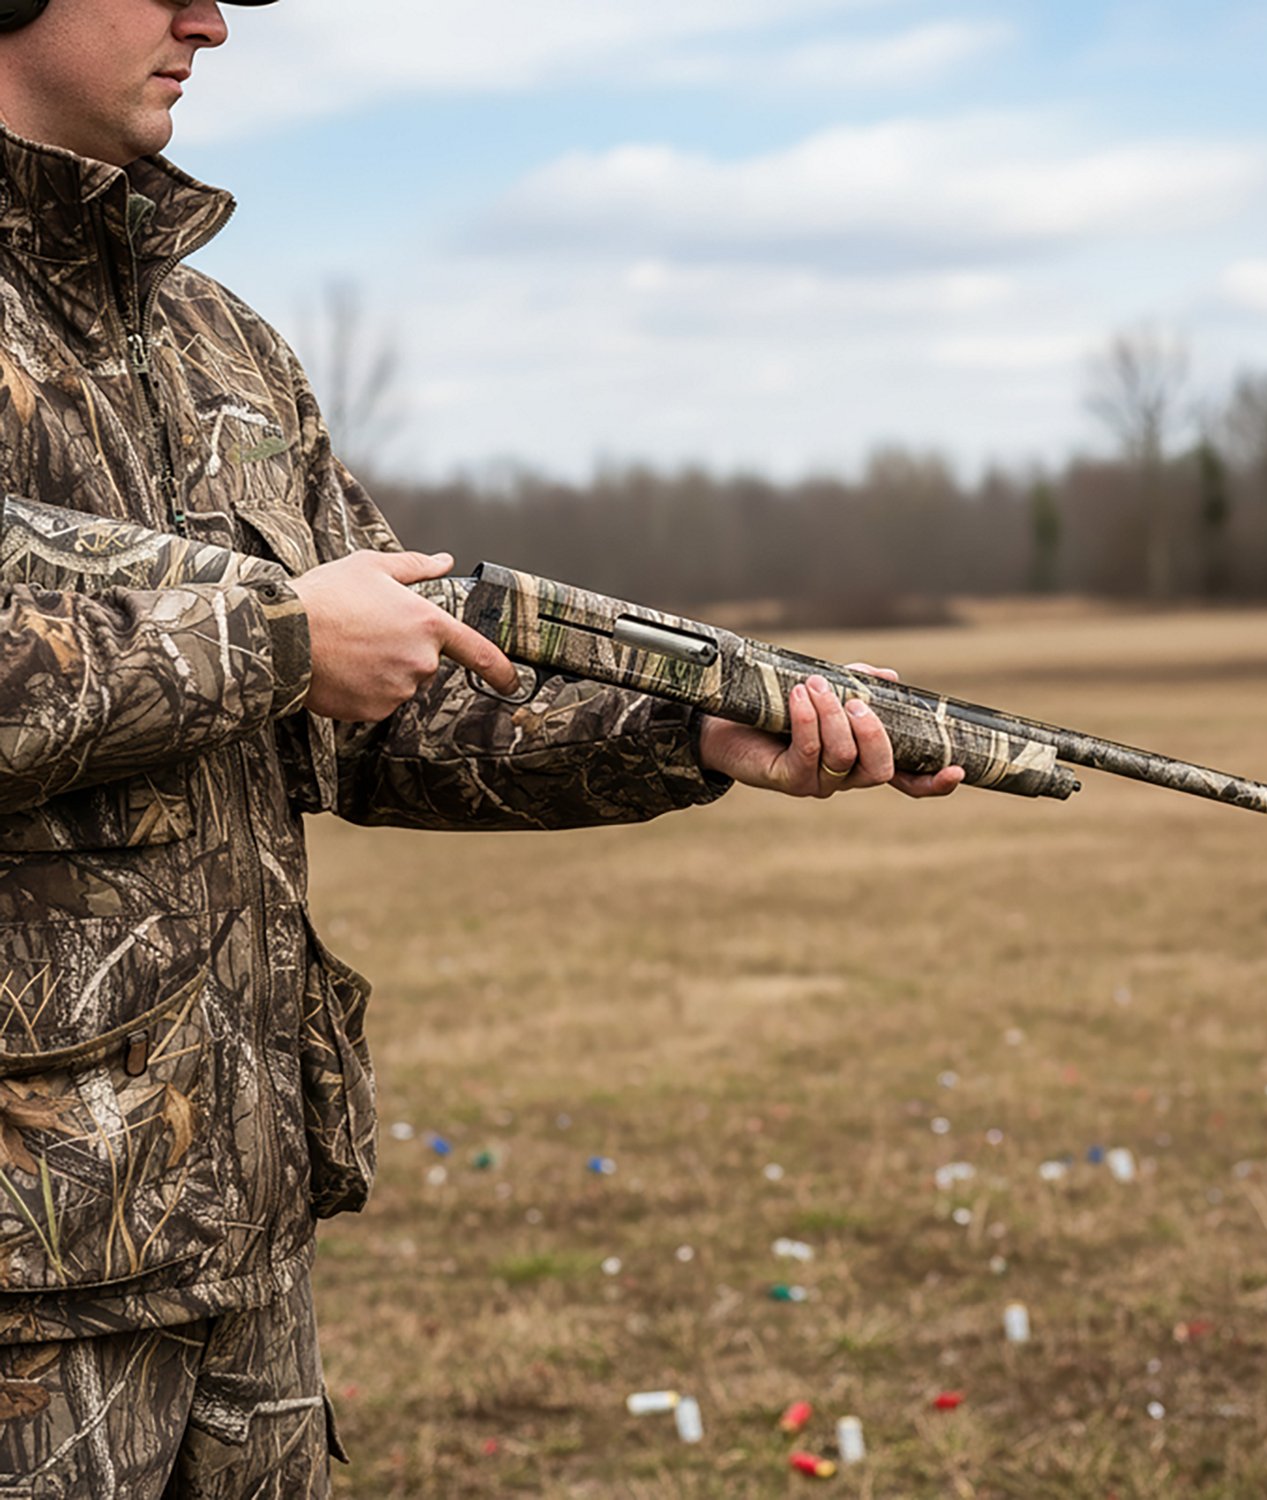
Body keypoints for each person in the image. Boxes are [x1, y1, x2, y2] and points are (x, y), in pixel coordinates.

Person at [0, 1, 961, 1494]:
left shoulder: (219, 344)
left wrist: (692, 728)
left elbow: (408, 690)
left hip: (234, 1254)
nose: (214, 20)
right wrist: (273, 639)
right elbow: (295, 643)